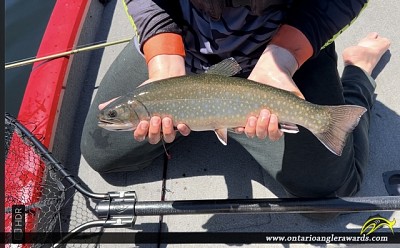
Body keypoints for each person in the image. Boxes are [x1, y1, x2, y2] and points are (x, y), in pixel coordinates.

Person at [81, 0, 390, 217]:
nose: (114, 116)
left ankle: (358, 75)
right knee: (99, 151)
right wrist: (163, 61)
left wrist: (283, 56)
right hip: (180, 45)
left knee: (329, 191)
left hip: (292, 47)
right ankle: (207, 115)